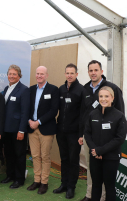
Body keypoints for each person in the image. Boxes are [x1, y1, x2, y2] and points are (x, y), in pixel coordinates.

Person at [79, 60, 125, 201]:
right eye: (91, 70)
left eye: (96, 70)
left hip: (109, 149)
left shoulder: (112, 88)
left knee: (108, 183)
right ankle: (90, 195)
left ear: (101, 71)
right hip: (92, 144)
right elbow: (84, 115)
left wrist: (101, 150)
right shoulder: (86, 89)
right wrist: (94, 148)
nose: (93, 73)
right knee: (94, 177)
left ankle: (103, 198)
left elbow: (119, 132)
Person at [84, 86, 126, 201]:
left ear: (112, 98)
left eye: (106, 96)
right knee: (96, 185)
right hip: (95, 156)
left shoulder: (119, 116)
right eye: (101, 96)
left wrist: (100, 150)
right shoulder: (93, 114)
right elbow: (87, 134)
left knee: (109, 187)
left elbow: (120, 138)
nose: (103, 99)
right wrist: (94, 150)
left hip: (111, 158)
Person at [53, 63, 84, 199]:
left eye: (72, 73)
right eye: (67, 73)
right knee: (64, 159)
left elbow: (83, 114)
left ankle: (71, 187)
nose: (69, 75)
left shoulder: (81, 90)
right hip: (61, 132)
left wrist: (81, 134)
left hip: (74, 133)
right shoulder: (61, 89)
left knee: (73, 160)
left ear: (76, 74)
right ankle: (64, 184)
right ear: (65, 74)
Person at [27, 66, 59, 194]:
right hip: (31, 128)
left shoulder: (53, 90)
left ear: (47, 75)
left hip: (46, 128)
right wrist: (29, 121)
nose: (39, 76)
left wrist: (38, 122)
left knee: (45, 156)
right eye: (37, 73)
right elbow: (27, 108)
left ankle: (44, 182)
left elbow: (54, 110)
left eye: (42, 74)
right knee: (35, 156)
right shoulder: (31, 90)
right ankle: (36, 180)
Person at [0, 65, 30, 189]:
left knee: (19, 154)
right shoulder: (7, 88)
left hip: (18, 130)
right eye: (10, 74)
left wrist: (22, 130)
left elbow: (25, 112)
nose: (11, 76)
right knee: (9, 154)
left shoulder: (24, 89)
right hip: (7, 129)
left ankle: (19, 179)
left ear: (19, 76)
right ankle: (10, 175)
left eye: (14, 74)